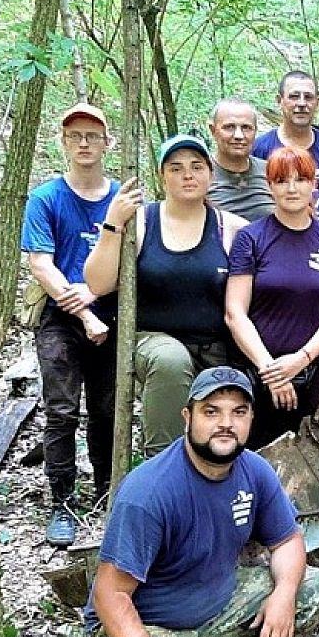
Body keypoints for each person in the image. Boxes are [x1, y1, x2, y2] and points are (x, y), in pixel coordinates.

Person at [85, 366, 319, 637]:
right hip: (150, 628)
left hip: (218, 608)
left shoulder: (255, 471)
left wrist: (284, 595)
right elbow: (110, 595)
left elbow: (287, 540)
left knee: (314, 589)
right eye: (211, 412)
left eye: (238, 412)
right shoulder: (149, 492)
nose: (226, 424)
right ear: (187, 418)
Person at [84, 133, 247, 456]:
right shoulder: (141, 223)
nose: (187, 174)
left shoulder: (232, 229)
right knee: (171, 360)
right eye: (176, 168)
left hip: (212, 346)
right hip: (150, 341)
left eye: (196, 166)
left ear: (210, 174)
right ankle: (162, 461)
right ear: (162, 176)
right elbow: (98, 284)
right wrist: (113, 224)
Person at [21, 103, 119, 548]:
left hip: (111, 311)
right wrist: (82, 309)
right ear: (63, 142)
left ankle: (105, 491)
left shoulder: (120, 199)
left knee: (106, 409)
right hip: (59, 318)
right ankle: (61, 501)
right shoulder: (45, 198)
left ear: (106, 143)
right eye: (75, 136)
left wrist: (95, 297)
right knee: (61, 409)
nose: (84, 143)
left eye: (92, 136)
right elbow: (41, 263)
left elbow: (130, 261)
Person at [225, 146, 319, 449]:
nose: (292, 188)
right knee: (263, 458)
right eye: (282, 180)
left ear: (314, 185)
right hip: (261, 373)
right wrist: (272, 372)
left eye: (300, 179)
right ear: (269, 186)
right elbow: (234, 312)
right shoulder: (251, 238)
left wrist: (301, 360)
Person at [251, 71, 319, 234]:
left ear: (318, 102)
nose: (302, 103)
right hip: (278, 241)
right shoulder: (261, 148)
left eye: (308, 97)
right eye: (294, 96)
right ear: (279, 101)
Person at [206, 99, 273, 222]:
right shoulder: (199, 175)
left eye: (246, 128)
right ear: (213, 130)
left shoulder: (272, 172)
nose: (239, 136)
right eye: (229, 127)